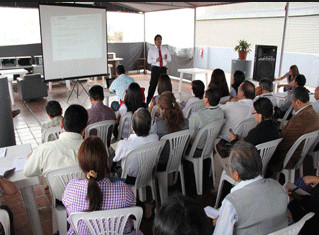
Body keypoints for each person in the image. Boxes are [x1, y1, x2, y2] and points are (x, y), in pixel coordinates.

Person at [62, 136, 139, 235]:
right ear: (106, 162)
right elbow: (133, 207)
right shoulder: (124, 190)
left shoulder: (71, 189)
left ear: (81, 165)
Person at [213, 141, 289, 235]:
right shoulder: (278, 186)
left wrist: (220, 223)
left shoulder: (232, 203)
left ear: (236, 175)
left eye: (229, 166)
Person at [24, 104, 88, 198]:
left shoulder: (45, 149)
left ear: (61, 124)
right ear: (84, 130)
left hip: (60, 198)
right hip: (87, 197)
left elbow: (27, 172)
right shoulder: (94, 149)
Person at [215, 98, 280, 180]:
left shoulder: (256, 132)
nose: (254, 115)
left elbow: (239, 151)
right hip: (264, 166)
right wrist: (239, 137)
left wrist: (233, 140)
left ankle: (218, 188)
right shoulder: (274, 128)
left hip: (247, 170)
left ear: (260, 115)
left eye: (254, 113)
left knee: (217, 155)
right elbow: (250, 141)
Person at [267, 86, 319, 175]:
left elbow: (285, 141)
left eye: (292, 103)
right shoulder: (314, 114)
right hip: (302, 152)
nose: (292, 105)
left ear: (298, 102)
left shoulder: (299, 118)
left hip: (290, 157)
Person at [112, 107, 158, 181]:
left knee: (112, 160)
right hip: (148, 173)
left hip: (129, 178)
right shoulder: (155, 138)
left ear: (132, 127)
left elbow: (116, 158)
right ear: (150, 127)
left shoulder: (124, 144)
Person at [150, 91, 189, 170]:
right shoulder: (186, 123)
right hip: (178, 159)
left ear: (163, 110)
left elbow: (150, 143)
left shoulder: (158, 125)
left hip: (161, 162)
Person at [147, 34, 171, 105]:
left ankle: (165, 102)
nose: (159, 41)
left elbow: (170, 59)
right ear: (155, 41)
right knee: (152, 85)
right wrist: (155, 60)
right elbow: (149, 61)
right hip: (155, 69)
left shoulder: (165, 49)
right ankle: (147, 102)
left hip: (163, 69)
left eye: (160, 39)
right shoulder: (151, 50)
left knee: (164, 85)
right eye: (158, 39)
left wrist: (166, 58)